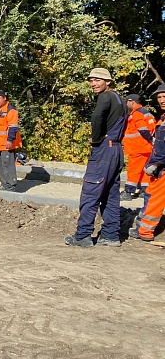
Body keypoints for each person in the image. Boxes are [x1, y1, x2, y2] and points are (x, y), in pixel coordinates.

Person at [65, 68, 126, 247]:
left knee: (91, 192)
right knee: (110, 195)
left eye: (98, 80)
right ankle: (111, 236)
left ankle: (82, 236)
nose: (93, 83)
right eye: (91, 80)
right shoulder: (119, 99)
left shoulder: (105, 97)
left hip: (104, 151)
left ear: (108, 82)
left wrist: (96, 137)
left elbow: (97, 116)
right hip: (116, 150)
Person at [130, 84, 165, 242]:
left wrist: (157, 163)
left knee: (153, 200)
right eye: (159, 97)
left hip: (161, 166)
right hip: (157, 163)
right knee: (150, 195)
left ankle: (144, 231)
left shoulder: (139, 114)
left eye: (164, 96)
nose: (162, 100)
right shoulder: (161, 117)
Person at [0, 90, 23, 191]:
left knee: (7, 165)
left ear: (4, 98)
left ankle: (10, 186)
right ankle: (4, 184)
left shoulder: (11, 111)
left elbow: (13, 127)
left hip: (6, 144)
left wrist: (10, 140)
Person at [121, 94, 155, 200]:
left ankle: (128, 192)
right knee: (145, 170)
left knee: (133, 169)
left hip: (137, 147)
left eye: (127, 102)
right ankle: (144, 190)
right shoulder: (146, 113)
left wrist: (150, 139)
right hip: (146, 148)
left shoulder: (136, 113)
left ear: (132, 102)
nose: (126, 104)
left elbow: (143, 129)